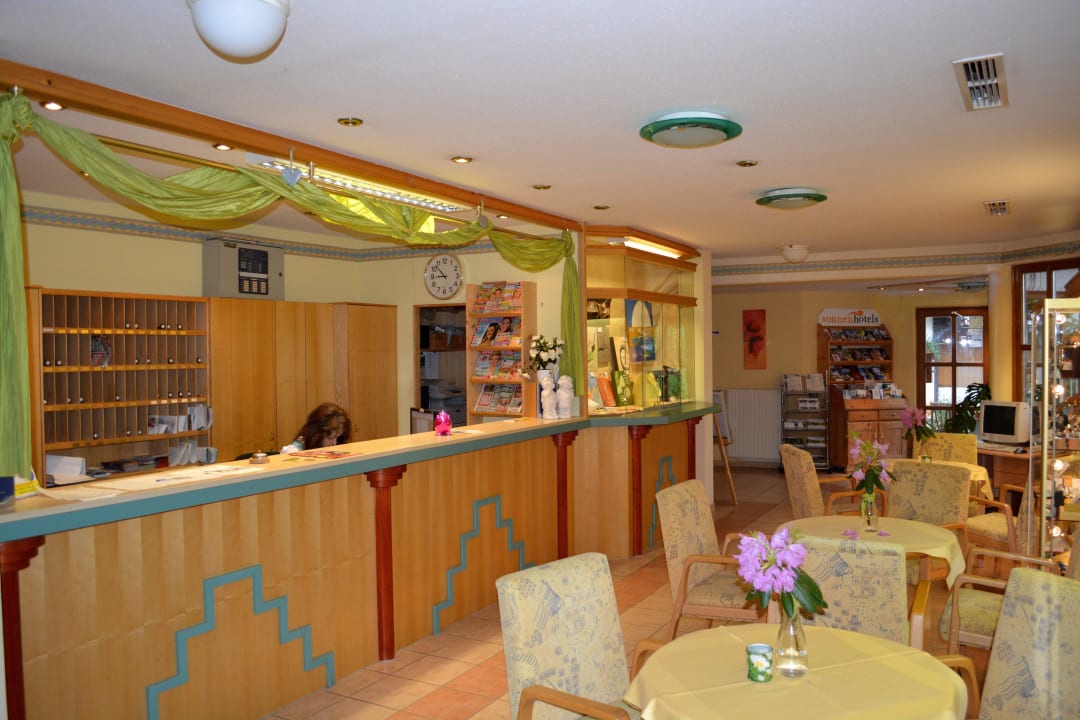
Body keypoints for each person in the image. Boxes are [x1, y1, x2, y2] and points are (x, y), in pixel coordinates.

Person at [280, 402, 353, 453]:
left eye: (337, 438)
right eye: (330, 438)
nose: (334, 443)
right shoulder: (293, 452)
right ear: (316, 434)